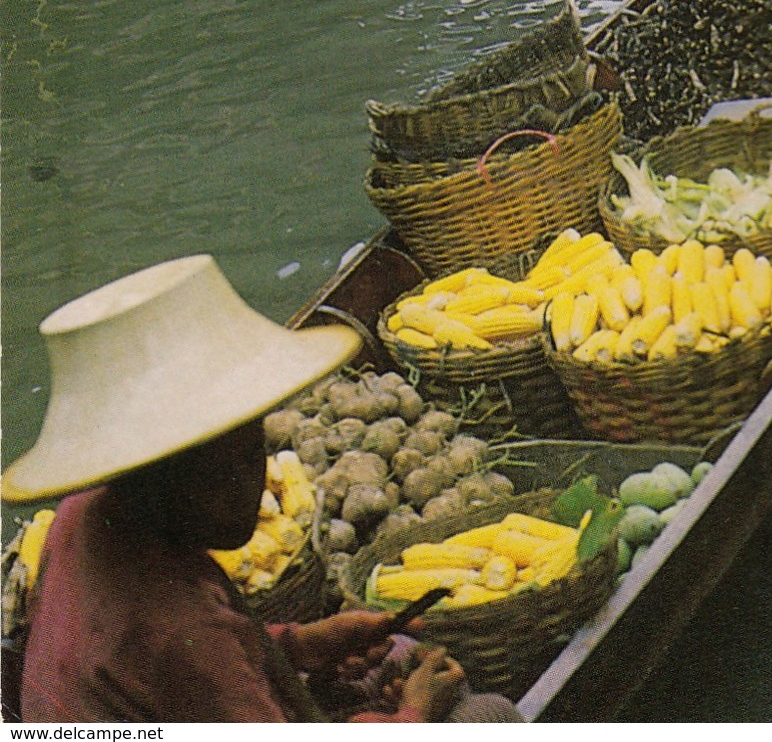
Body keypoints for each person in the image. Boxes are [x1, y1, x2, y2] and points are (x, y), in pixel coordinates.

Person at [3, 255, 517, 722]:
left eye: (253, 452)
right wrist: (413, 715)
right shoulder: (187, 635)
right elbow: (195, 659)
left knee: (400, 652)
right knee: (487, 715)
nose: (254, 481)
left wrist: (299, 645)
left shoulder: (85, 513)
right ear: (163, 476)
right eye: (227, 468)